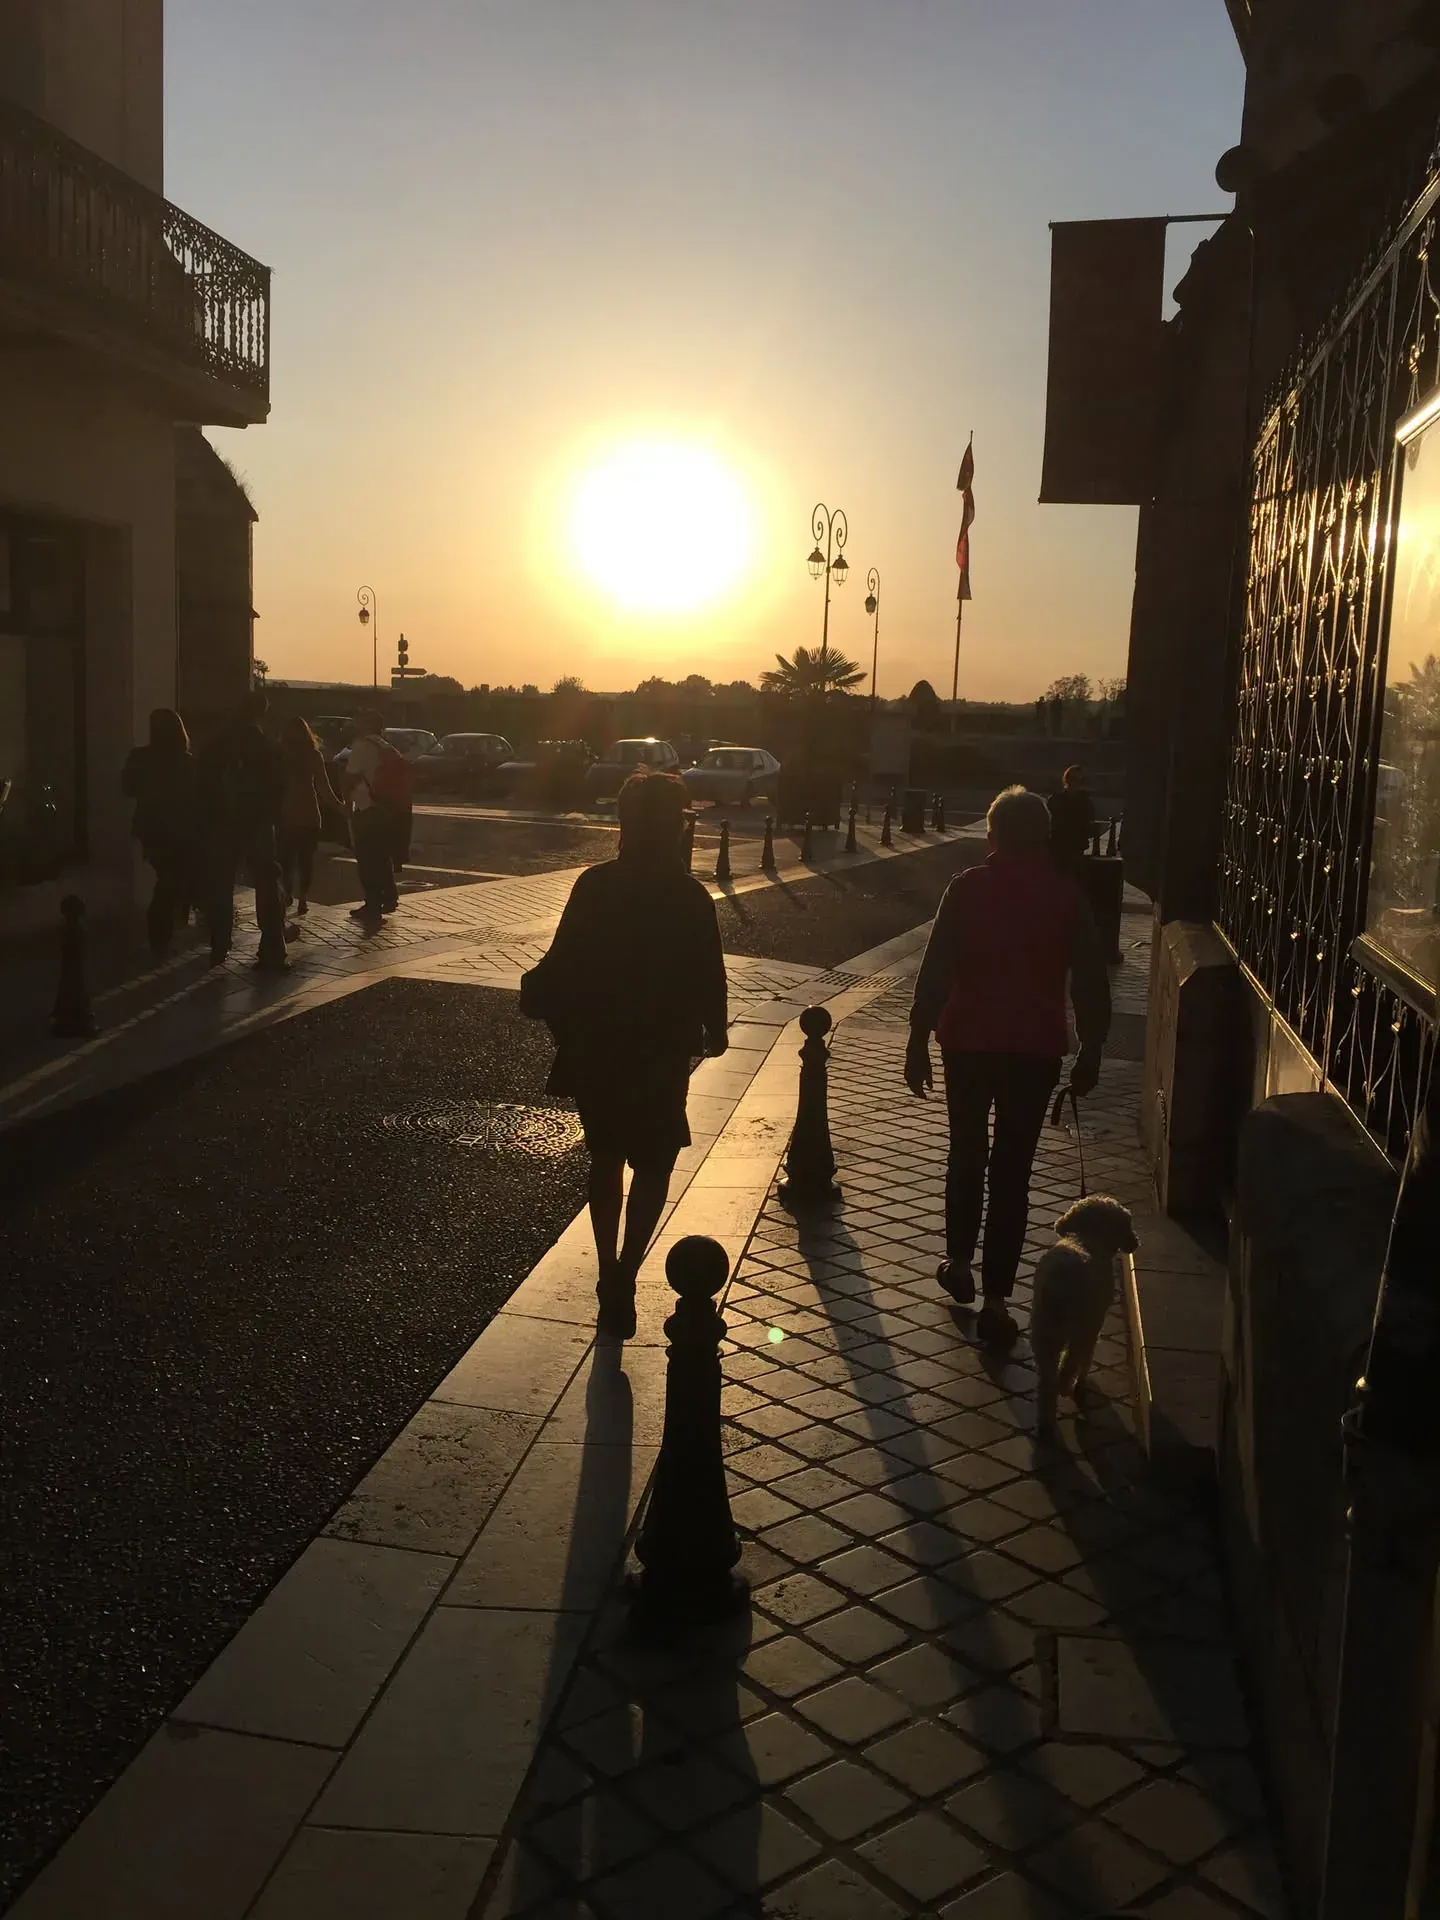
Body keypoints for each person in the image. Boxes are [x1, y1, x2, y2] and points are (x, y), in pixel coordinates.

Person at [520, 770, 727, 1337]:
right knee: (655, 1162)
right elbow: (709, 972)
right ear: (672, 827)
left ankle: (607, 1265)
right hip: (659, 1048)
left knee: (605, 1156)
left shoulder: (596, 884)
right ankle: (628, 1269)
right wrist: (716, 1029)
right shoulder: (688, 896)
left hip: (598, 1046)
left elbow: (562, 960)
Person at [905, 785, 1111, 1345]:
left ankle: (958, 1261)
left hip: (967, 1041)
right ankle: (998, 1296)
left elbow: (939, 965)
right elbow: (1091, 980)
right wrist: (1091, 1048)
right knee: (1013, 1173)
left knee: (966, 1153)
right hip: (1035, 1048)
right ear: (1044, 837)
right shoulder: (1067, 896)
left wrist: (918, 1037)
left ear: (993, 835)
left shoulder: (967, 888)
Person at [197, 691, 290, 971]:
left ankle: (220, 941)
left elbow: (203, 782)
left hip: (223, 823)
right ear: (261, 713)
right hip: (258, 823)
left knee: (221, 884)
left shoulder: (218, 743)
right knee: (266, 881)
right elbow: (278, 786)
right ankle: (272, 944)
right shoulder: (265, 745)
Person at [121, 708, 202, 959]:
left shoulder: (140, 757)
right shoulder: (187, 762)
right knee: (170, 885)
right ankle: (161, 939)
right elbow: (197, 798)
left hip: (153, 831)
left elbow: (128, 789)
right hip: (180, 831)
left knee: (168, 882)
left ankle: (161, 938)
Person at [277, 715, 341, 915]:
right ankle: (303, 897)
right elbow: (324, 788)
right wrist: (340, 808)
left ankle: (286, 893)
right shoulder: (313, 755)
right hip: (309, 813)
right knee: (306, 860)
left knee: (285, 859)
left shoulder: (279, 755)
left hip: (284, 813)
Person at [344, 710, 400, 924]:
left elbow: (350, 776)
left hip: (368, 808)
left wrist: (346, 803)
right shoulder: (385, 745)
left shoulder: (362, 746)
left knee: (367, 859)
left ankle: (373, 904)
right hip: (387, 808)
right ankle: (389, 897)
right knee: (381, 855)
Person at [1048, 763, 1096, 871]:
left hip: (1075, 846)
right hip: (1058, 846)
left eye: (1078, 779)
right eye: (1072, 779)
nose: (1075, 782)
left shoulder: (1086, 802)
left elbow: (1090, 826)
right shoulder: (1056, 799)